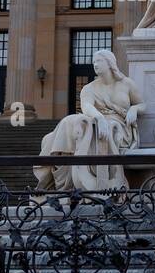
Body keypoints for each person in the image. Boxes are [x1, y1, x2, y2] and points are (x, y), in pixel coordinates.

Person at [34, 50, 144, 191]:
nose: (95, 65)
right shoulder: (89, 88)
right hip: (96, 121)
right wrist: (99, 117)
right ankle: (64, 182)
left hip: (119, 127)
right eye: (94, 62)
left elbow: (142, 104)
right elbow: (86, 106)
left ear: (110, 63)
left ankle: (90, 184)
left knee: (97, 128)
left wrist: (134, 110)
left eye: (99, 61)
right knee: (70, 121)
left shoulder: (126, 84)